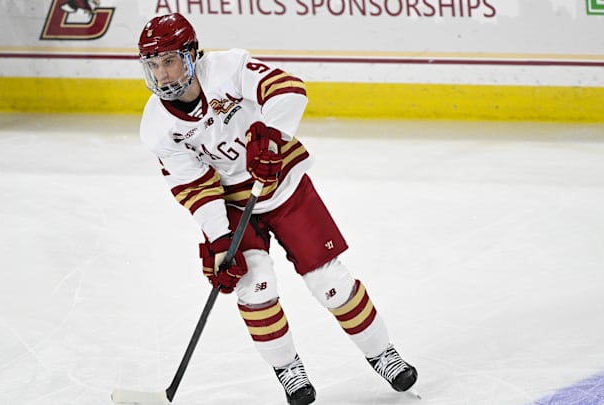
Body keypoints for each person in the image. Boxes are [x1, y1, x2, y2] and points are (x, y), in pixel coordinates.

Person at [136, 13, 417, 405]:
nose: (163, 74)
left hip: (281, 182)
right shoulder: (157, 126)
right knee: (254, 287)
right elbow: (194, 187)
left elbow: (286, 88)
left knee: (330, 282)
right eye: (153, 64)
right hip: (233, 205)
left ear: (191, 55)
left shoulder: (227, 68)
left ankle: (383, 353)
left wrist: (271, 136)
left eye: (170, 61)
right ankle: (289, 370)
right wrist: (219, 239)